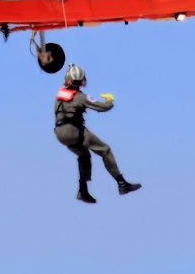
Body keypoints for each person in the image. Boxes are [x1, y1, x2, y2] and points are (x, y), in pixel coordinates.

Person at [54, 64, 141, 203]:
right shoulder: (80, 97)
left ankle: (83, 191)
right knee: (105, 150)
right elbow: (103, 108)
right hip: (74, 131)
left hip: (60, 134)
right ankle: (122, 184)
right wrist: (109, 100)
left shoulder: (60, 95)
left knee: (84, 155)